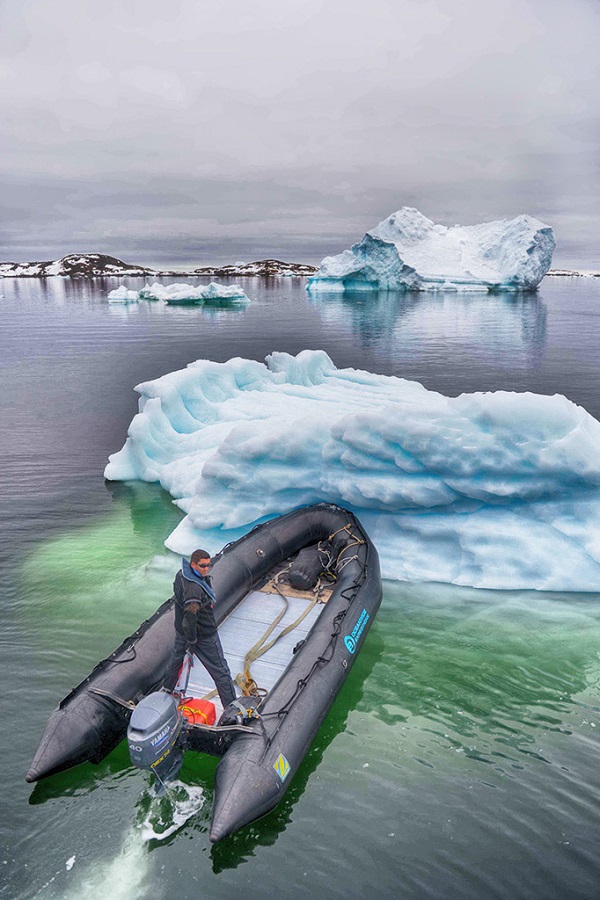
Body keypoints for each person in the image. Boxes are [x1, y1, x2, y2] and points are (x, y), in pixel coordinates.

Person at [163, 549, 236, 709]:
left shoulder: (181, 575)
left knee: (176, 660)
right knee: (221, 671)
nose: (206, 569)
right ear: (193, 564)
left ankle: (166, 690)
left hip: (181, 632)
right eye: (202, 566)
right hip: (202, 636)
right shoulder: (195, 588)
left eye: (208, 565)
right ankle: (231, 708)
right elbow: (190, 616)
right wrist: (192, 641)